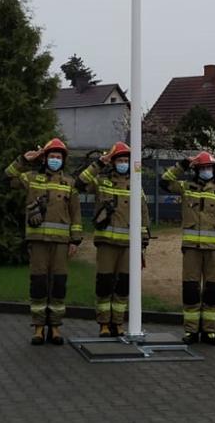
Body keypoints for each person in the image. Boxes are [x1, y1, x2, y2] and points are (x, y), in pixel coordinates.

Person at [5, 138, 83, 345]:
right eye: (51, 156)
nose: (55, 160)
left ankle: (55, 328)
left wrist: (75, 240)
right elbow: (9, 177)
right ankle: (38, 328)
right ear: (45, 158)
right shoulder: (31, 178)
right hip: (38, 241)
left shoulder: (70, 183)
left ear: (63, 160)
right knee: (38, 284)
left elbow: (75, 214)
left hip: (60, 243)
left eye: (58, 157)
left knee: (58, 285)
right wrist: (24, 159)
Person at [75, 142, 151, 337]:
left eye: (126, 160)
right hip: (106, 244)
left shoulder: (136, 185)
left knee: (123, 286)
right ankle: (103, 324)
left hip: (128, 246)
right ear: (114, 162)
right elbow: (80, 182)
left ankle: (118, 323)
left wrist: (143, 243)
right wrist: (100, 162)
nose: (123, 164)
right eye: (120, 160)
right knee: (104, 285)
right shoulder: (101, 181)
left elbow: (143, 214)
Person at [160, 150, 215, 345]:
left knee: (213, 290)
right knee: (191, 289)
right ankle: (191, 331)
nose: (206, 171)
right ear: (196, 170)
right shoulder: (186, 188)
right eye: (202, 168)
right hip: (192, 248)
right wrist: (184, 163)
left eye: (209, 168)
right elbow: (164, 181)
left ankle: (209, 331)